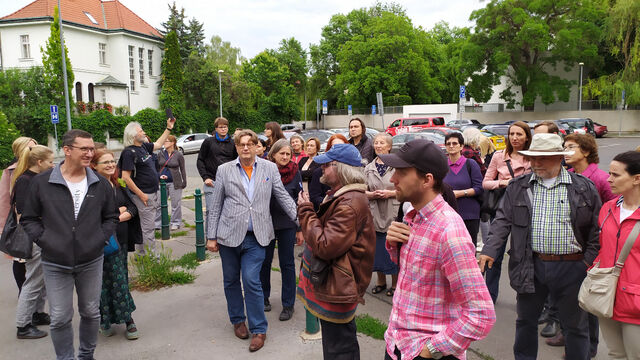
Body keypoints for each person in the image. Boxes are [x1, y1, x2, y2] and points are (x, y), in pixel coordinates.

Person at [479, 133, 601, 360]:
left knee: (575, 326)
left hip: (573, 267)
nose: (536, 163)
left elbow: (596, 231)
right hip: (530, 265)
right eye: (532, 158)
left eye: (542, 158)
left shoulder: (583, 187)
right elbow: (503, 220)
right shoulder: (519, 186)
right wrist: (489, 250)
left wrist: (587, 263)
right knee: (525, 321)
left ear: (559, 158)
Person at [380, 139, 495, 360]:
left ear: (427, 180)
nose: (393, 179)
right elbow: (418, 277)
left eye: (401, 173)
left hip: (426, 352)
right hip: (398, 342)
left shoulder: (449, 231)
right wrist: (394, 245)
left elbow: (481, 314)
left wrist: (431, 350)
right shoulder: (413, 216)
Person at [21, 129, 119, 360]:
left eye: (91, 148)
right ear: (66, 150)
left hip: (91, 259)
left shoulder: (100, 184)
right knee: (60, 317)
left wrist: (99, 240)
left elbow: (111, 217)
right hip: (56, 262)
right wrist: (47, 241)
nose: (89, 153)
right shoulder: (42, 182)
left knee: (90, 312)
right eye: (83, 148)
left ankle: (86, 356)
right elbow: (28, 218)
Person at [206, 130, 297, 353]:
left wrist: (301, 220)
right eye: (241, 144)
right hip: (228, 236)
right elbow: (216, 204)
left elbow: (283, 196)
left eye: (250, 144)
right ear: (236, 148)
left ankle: (259, 329)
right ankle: (238, 320)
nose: (246, 148)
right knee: (230, 280)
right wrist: (211, 236)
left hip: (258, 236)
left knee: (251, 280)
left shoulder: (269, 168)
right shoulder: (224, 170)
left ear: (258, 146)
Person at [296, 143, 375, 360]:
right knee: (338, 344)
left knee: (339, 348)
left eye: (327, 165)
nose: (321, 168)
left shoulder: (349, 203)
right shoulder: (344, 196)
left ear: (341, 169)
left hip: (339, 288)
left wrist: (305, 210)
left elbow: (325, 245)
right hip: (337, 285)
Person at [593, 151, 640, 359]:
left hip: (636, 304)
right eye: (609, 173)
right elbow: (603, 247)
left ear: (637, 178)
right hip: (607, 296)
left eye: (616, 175)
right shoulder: (608, 208)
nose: (608, 179)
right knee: (615, 354)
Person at [91, 149, 140, 340]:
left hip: (120, 240)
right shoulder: (91, 187)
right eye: (106, 162)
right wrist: (116, 215)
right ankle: (106, 319)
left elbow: (133, 208)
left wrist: (117, 216)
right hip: (100, 242)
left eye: (113, 161)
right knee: (101, 284)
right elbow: (91, 217)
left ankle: (128, 319)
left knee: (120, 281)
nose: (111, 165)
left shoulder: (117, 184)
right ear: (94, 166)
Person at [482, 120, 532, 303]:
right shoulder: (498, 156)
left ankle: (524, 296)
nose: (515, 137)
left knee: (521, 254)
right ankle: (489, 296)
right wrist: (503, 183)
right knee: (493, 252)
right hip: (502, 206)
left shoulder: (532, 157)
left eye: (519, 134)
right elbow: (485, 182)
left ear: (527, 137)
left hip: (526, 209)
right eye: (512, 134)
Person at [12, 145, 54, 339]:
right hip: (34, 238)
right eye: (50, 161)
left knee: (41, 279)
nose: (53, 165)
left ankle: (37, 314)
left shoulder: (34, 179)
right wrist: (39, 235)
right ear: (39, 162)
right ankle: (23, 325)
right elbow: (22, 214)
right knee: (33, 281)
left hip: (40, 236)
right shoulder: (25, 181)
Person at [260, 139, 303, 321]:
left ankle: (288, 304)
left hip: (287, 224)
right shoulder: (265, 169)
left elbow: (299, 200)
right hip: (267, 222)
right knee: (264, 262)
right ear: (274, 154)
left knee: (287, 264)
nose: (285, 157)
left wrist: (300, 228)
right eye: (281, 153)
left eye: (288, 154)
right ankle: (263, 298)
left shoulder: (295, 172)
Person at [119, 118, 175, 255]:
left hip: (150, 192)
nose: (144, 133)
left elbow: (158, 143)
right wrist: (140, 194)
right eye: (141, 131)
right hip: (144, 195)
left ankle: (142, 255)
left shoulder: (143, 147)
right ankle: (152, 259)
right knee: (148, 228)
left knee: (143, 226)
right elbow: (125, 177)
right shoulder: (129, 152)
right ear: (133, 135)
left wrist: (168, 128)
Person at [1, 137, 37, 295]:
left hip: (40, 221)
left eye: (35, 147)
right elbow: (4, 201)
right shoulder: (10, 171)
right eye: (30, 148)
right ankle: (23, 293)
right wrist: (4, 228)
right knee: (20, 258)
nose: (33, 151)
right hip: (20, 223)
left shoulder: (40, 167)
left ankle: (34, 295)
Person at [365, 133, 399, 297]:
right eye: (376, 143)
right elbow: (361, 189)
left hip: (392, 211)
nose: (378, 145)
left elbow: (404, 189)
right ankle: (380, 281)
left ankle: (395, 283)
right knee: (377, 250)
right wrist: (370, 195)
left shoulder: (397, 166)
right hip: (374, 212)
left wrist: (390, 193)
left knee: (392, 248)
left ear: (389, 146)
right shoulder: (368, 167)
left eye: (382, 143)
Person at [197, 117, 237, 234]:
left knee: (228, 212)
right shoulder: (209, 142)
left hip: (229, 182)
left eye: (225, 127)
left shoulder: (233, 143)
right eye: (221, 127)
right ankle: (209, 238)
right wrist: (205, 177)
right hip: (212, 182)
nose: (223, 129)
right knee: (211, 211)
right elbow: (200, 160)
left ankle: (225, 236)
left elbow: (236, 161)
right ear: (216, 129)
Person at [443, 132, 484, 247]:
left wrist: (460, 193)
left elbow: (479, 188)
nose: (451, 146)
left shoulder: (471, 164)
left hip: (469, 214)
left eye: (455, 143)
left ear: (461, 146)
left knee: (469, 248)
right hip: (448, 215)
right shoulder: (442, 166)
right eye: (448, 143)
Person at [155, 135, 187, 230]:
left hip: (175, 182)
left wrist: (184, 182)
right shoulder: (160, 153)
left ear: (173, 143)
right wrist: (158, 177)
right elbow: (156, 168)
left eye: (167, 141)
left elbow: (183, 169)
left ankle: (175, 222)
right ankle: (157, 223)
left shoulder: (178, 154)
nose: (164, 143)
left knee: (175, 204)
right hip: (162, 183)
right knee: (159, 203)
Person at [309, 133, 348, 210]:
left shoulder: (353, 170)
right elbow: (314, 196)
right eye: (334, 147)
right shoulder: (320, 172)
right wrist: (330, 203)